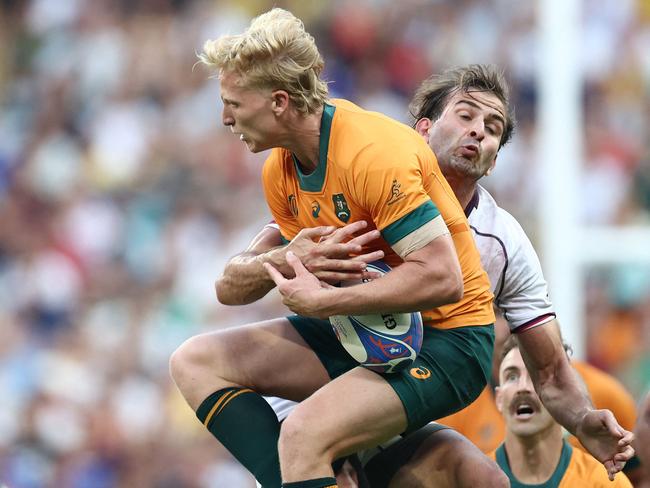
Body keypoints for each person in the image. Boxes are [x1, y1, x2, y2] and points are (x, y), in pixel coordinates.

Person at [170, 8, 500, 488]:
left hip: (448, 340)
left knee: (302, 436)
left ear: (279, 102)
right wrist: (283, 259)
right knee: (194, 361)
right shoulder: (281, 169)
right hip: (360, 331)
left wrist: (328, 301)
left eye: (233, 104)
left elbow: (442, 279)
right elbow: (230, 287)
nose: (224, 117)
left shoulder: (371, 154)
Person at [261, 64, 635, 487]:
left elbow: (549, 371)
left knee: (482, 478)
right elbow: (247, 273)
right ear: (421, 131)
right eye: (465, 115)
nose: (479, 131)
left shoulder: (504, 242)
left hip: (401, 406)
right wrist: (271, 266)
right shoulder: (359, 182)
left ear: (494, 161)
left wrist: (584, 420)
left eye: (493, 128)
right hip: (314, 397)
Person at [489, 336, 632, 487]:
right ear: (499, 398)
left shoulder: (604, 483)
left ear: (564, 395)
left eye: (535, 375)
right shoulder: (471, 478)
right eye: (512, 377)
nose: (522, 387)